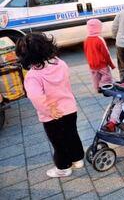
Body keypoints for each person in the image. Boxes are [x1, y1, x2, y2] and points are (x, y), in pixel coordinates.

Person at [16, 33, 84, 178]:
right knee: (72, 135)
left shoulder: (33, 76)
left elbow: (36, 97)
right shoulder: (59, 63)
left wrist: (49, 110)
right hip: (70, 109)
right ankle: (77, 159)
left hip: (52, 115)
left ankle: (63, 168)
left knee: (58, 143)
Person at [84, 19, 115, 93]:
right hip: (102, 64)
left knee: (95, 77)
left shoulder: (86, 39)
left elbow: (86, 52)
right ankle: (104, 86)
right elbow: (106, 53)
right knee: (106, 75)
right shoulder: (99, 39)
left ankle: (97, 88)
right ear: (99, 28)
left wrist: (89, 62)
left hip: (92, 64)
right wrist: (111, 64)